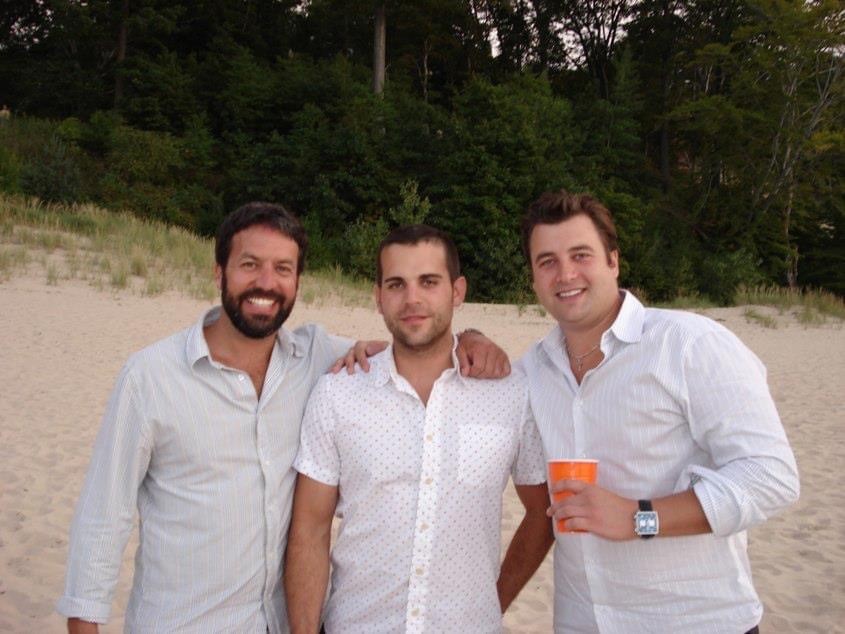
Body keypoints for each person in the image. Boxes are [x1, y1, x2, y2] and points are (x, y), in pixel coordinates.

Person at [56, 203, 507, 633]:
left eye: (283, 269)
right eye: (249, 265)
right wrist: (84, 621)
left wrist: (472, 337)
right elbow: (103, 513)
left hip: (279, 621)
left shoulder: (315, 357)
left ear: (297, 282)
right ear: (219, 272)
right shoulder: (151, 377)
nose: (266, 283)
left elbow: (414, 338)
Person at [519, 190, 800, 633]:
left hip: (695, 621)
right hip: (583, 622)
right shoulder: (531, 371)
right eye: (547, 261)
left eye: (581, 255)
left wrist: (639, 517)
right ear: (534, 279)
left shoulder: (690, 345)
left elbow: (771, 476)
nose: (565, 274)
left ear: (613, 261)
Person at [284, 225, 554, 633]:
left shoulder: (511, 393)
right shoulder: (338, 392)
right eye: (396, 284)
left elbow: (541, 512)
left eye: (429, 282)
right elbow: (310, 529)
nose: (412, 299)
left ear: (457, 291)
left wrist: (491, 603)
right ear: (378, 298)